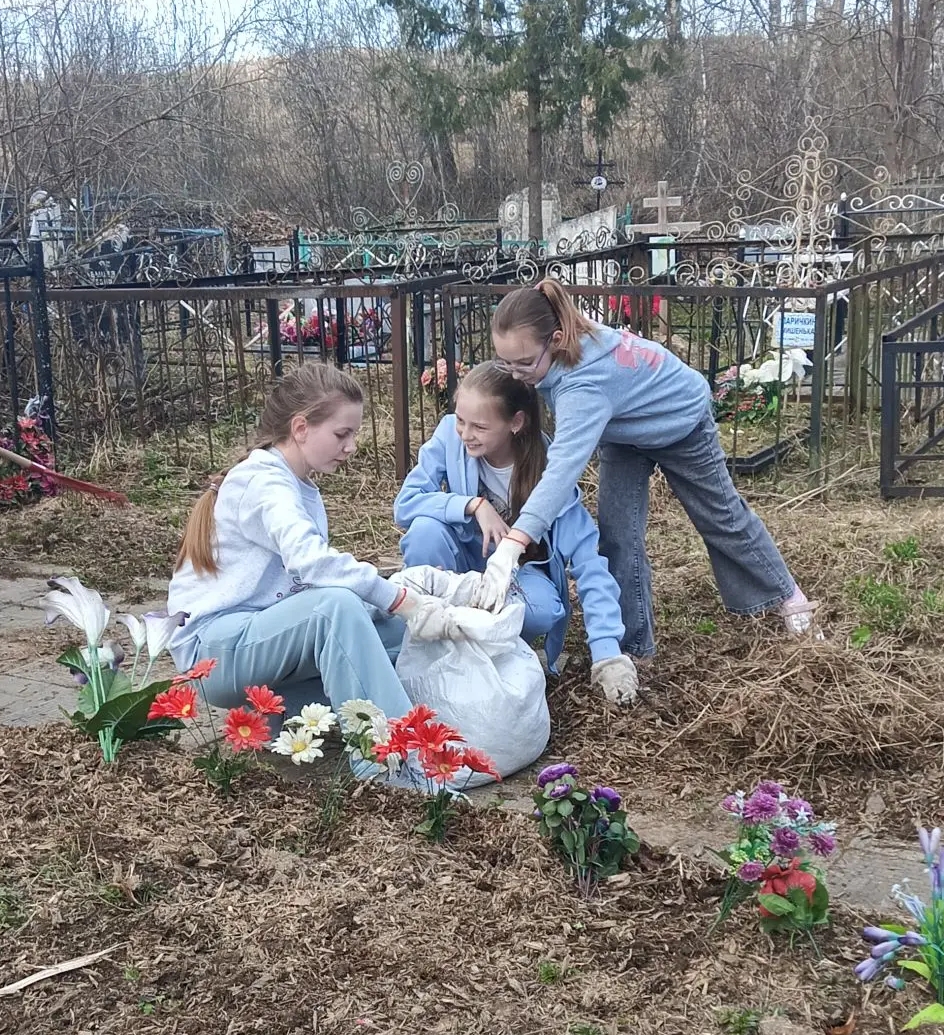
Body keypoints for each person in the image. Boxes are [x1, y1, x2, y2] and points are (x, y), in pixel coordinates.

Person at [477, 279, 818, 661]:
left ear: (556, 339)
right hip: (625, 430)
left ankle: (789, 597)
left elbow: (561, 473)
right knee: (618, 535)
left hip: (679, 420)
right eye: (505, 361)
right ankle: (634, 646)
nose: (515, 373)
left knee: (721, 518)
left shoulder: (584, 385)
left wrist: (514, 543)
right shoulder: (561, 336)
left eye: (524, 363)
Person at [168, 361, 460, 732]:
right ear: (301, 428)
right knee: (336, 609)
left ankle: (282, 712)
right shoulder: (263, 482)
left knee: (398, 632)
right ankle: (392, 753)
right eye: (341, 434)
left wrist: (394, 610)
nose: (351, 447)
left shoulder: (298, 482)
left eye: (353, 434)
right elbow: (310, 563)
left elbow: (309, 584)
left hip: (256, 641)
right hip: (213, 653)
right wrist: (397, 598)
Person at [394, 360, 633, 704]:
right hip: (461, 564)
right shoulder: (449, 437)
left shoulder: (549, 469)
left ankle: (484, 647)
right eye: (460, 420)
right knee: (425, 532)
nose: (465, 434)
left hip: (518, 576)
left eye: (479, 426)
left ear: (516, 423)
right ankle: (431, 642)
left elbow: (588, 560)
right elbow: (406, 504)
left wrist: (607, 651)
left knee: (542, 609)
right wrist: (474, 505)